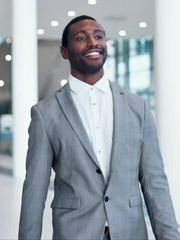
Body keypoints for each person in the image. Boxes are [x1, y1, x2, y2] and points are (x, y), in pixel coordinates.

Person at [18, 15, 180, 240]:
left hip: (130, 232)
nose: (93, 42)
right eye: (81, 38)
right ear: (64, 52)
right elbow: (34, 190)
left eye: (99, 36)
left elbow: (155, 183)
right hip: (74, 233)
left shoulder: (138, 108)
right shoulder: (45, 114)